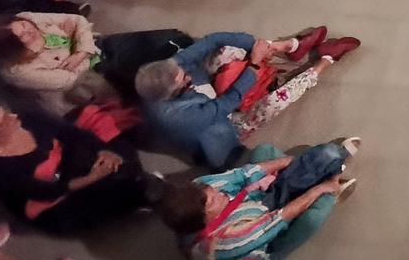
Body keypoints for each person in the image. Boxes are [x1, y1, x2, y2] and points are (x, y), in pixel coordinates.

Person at [132, 29, 335, 167]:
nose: (187, 73)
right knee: (272, 103)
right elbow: (230, 102)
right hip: (220, 127)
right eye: (184, 78)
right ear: (172, 93)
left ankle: (289, 47)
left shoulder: (169, 69)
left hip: (203, 99)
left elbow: (212, 40)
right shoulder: (178, 117)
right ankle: (322, 65)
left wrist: (261, 45)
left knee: (225, 50)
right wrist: (253, 65)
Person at [159, 140, 358, 260]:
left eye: (212, 190)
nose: (218, 192)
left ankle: (323, 170)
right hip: (263, 237)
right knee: (312, 218)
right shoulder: (225, 244)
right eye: (213, 200)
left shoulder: (200, 186)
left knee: (265, 152)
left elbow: (241, 176)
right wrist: (320, 187)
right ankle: (332, 183)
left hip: (254, 201)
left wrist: (292, 164)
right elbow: (278, 220)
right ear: (204, 220)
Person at [0, 102, 146, 232]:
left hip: (64, 162)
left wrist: (102, 150)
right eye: (4, 120)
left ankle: (136, 186)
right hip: (51, 194)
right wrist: (93, 177)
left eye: (5, 111)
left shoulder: (27, 118)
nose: (13, 116)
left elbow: (70, 132)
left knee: (119, 150)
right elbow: (47, 192)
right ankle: (137, 196)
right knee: (95, 203)